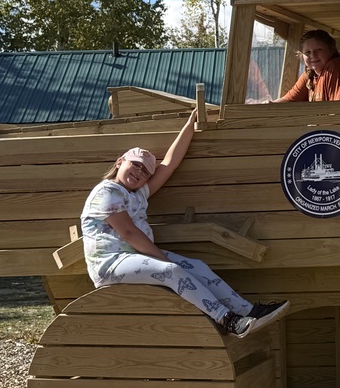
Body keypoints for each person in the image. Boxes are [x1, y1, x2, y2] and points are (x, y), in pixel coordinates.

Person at [81, 111, 289, 338]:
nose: (139, 172)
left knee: (196, 265)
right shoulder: (107, 190)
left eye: (145, 171)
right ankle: (226, 320)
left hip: (135, 257)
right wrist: (161, 258)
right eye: (135, 164)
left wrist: (190, 126)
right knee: (171, 270)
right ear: (120, 162)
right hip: (110, 264)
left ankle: (248, 310)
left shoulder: (138, 195)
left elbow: (169, 165)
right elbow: (129, 233)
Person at [268, 29, 340, 103]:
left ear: (331, 50)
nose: (313, 55)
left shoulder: (336, 67)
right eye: (307, 52)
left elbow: (339, 111)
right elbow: (288, 100)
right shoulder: (310, 72)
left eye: (319, 50)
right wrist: (269, 105)